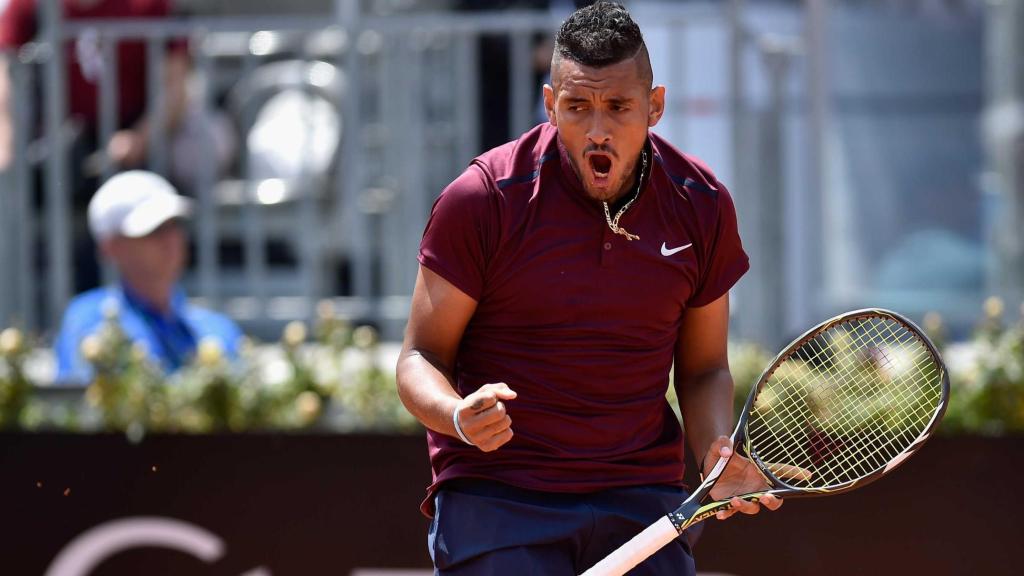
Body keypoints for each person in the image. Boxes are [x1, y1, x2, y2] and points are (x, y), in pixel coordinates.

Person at [396, 3, 782, 574]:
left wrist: (715, 453)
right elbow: (420, 357)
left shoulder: (701, 204)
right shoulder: (484, 199)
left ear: (654, 106)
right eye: (577, 107)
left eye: (618, 107)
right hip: (498, 496)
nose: (598, 130)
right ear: (550, 104)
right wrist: (457, 415)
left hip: (640, 497)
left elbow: (703, 368)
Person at [54, 170, 242, 384]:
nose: (171, 239)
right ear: (111, 247)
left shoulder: (219, 328)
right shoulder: (88, 321)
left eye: (174, 225)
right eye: (153, 231)